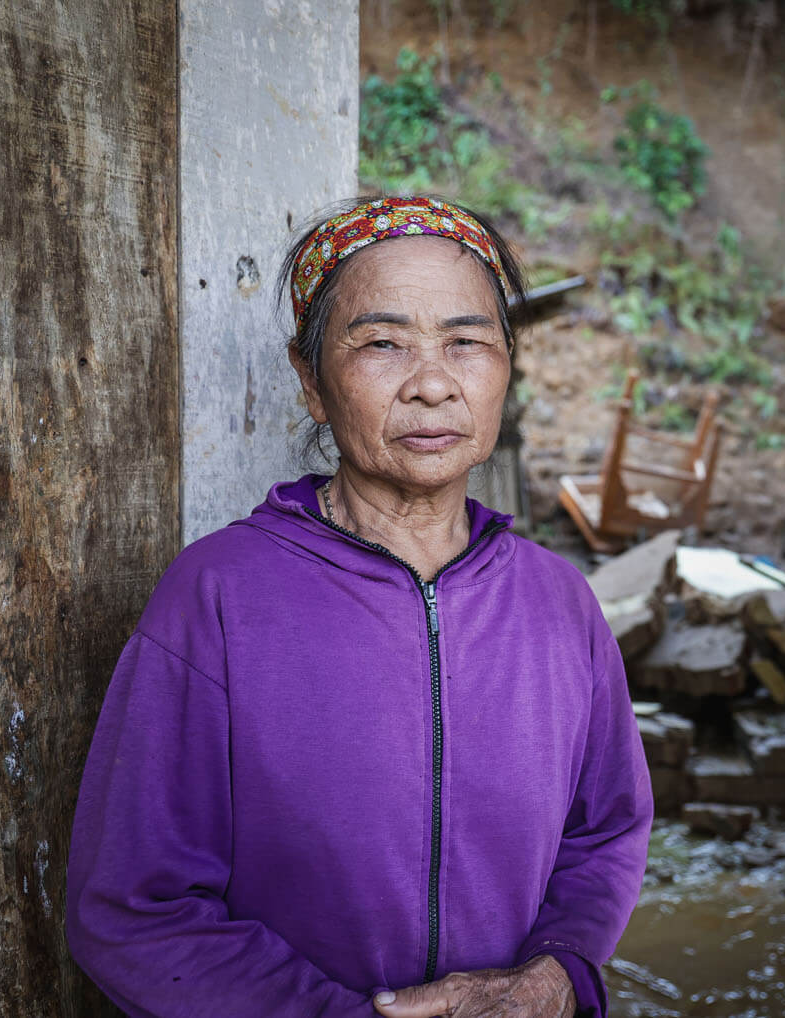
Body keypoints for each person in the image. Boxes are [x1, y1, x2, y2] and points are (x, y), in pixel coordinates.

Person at [66, 195, 653, 1017]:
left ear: (505, 369)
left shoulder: (559, 603)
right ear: (311, 382)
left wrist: (556, 975)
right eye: (381, 343)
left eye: (467, 342)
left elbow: (605, 834)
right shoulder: (218, 596)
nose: (432, 385)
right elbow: (133, 907)